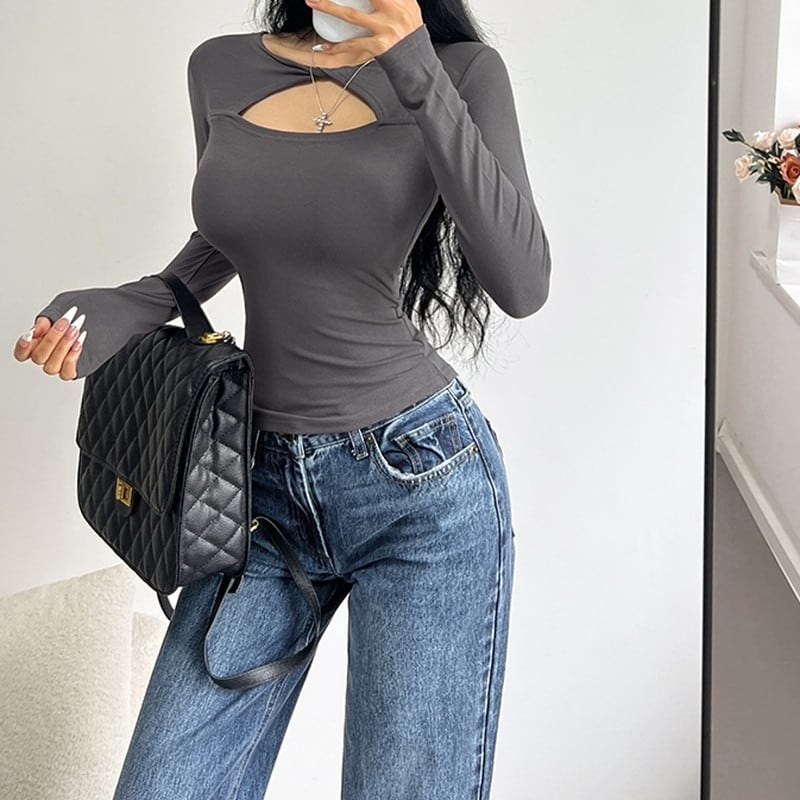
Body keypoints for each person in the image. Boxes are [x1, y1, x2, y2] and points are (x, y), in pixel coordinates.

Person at [14, 0, 551, 797]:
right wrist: (124, 306)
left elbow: (523, 282)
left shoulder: (462, 73)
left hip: (420, 486)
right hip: (255, 490)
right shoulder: (220, 66)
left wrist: (413, 63)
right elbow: (231, 236)